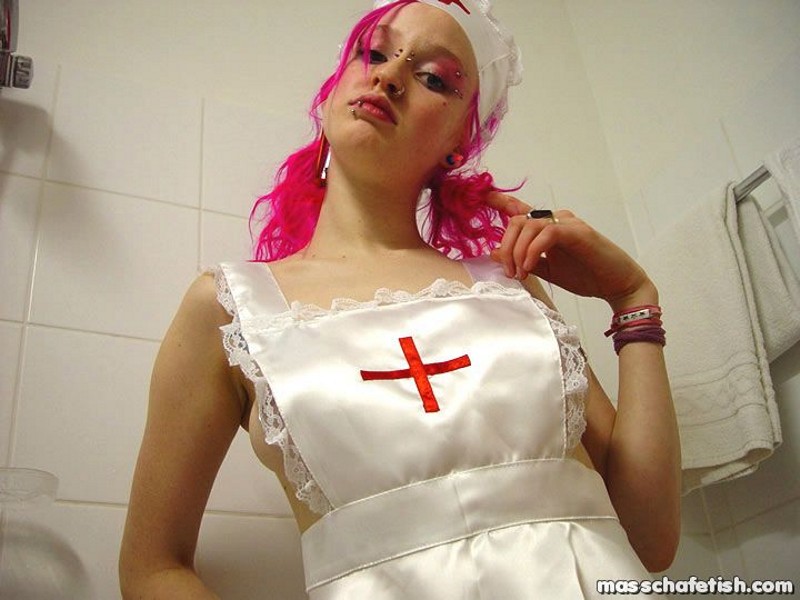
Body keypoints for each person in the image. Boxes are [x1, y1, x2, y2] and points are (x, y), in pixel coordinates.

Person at [119, 0, 681, 598]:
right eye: (373, 52)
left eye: (434, 78)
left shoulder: (509, 287)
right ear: (332, 91)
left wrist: (631, 300)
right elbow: (152, 567)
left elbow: (650, 540)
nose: (388, 75)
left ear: (459, 142)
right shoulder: (230, 309)